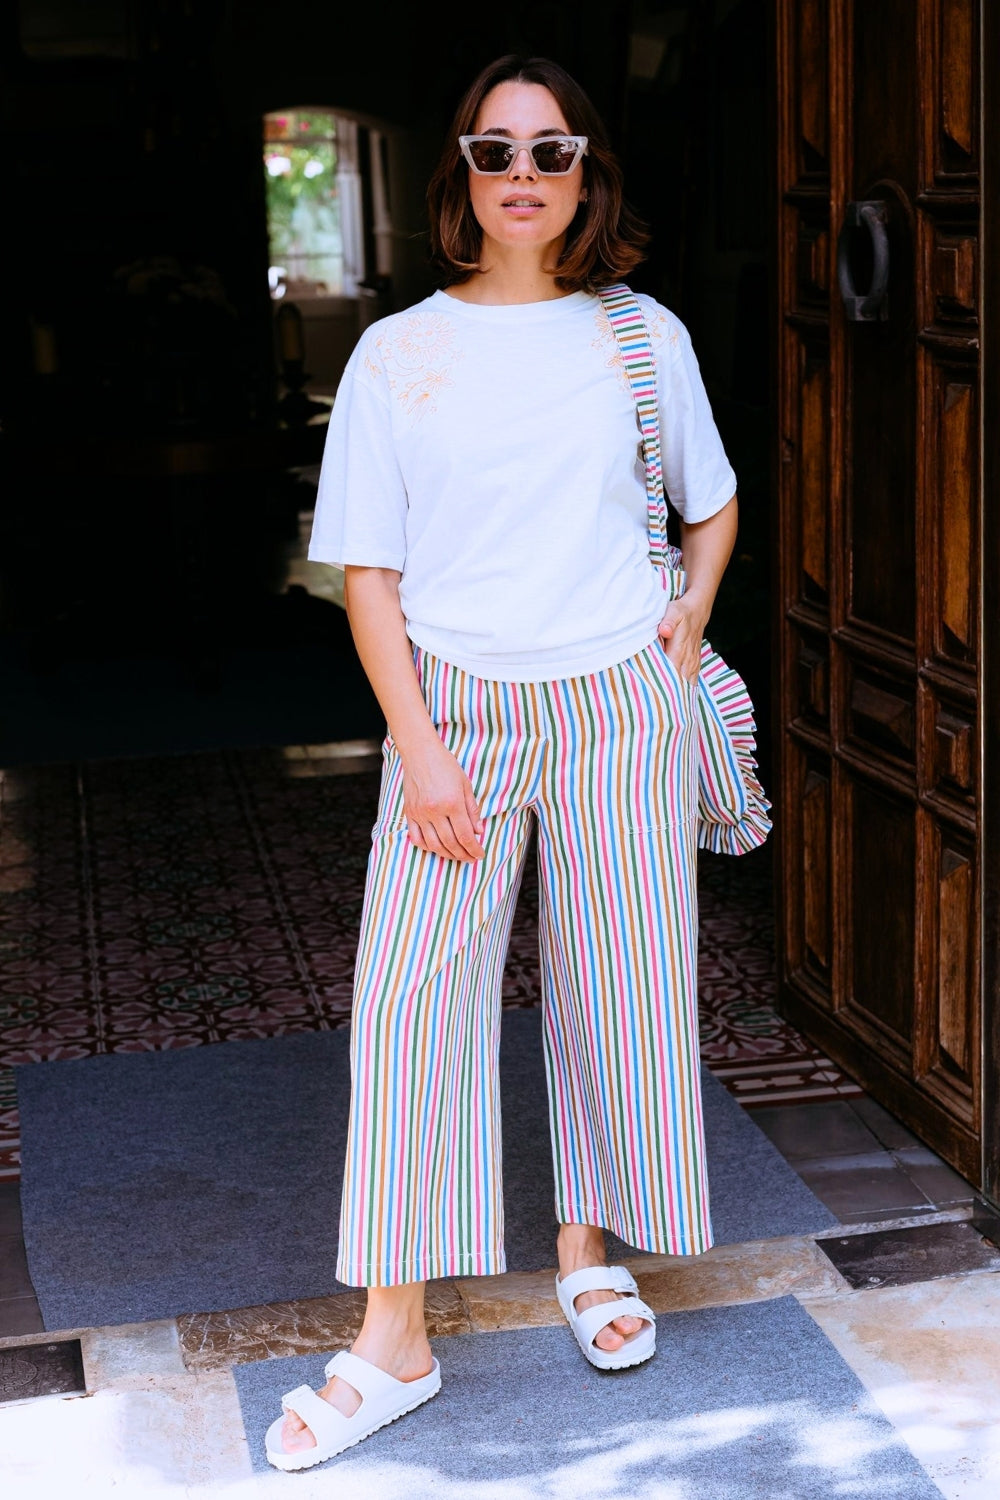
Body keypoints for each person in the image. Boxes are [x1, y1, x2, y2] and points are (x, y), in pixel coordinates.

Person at [265, 53, 744, 1471]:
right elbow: (366, 575)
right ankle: (394, 1339)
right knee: (411, 1009)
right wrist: (418, 754)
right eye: (496, 151)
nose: (523, 174)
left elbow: (711, 504)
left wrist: (688, 618)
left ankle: (588, 1252)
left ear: (587, 173)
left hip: (616, 710)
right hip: (456, 714)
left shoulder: (640, 335)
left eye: (551, 151)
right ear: (459, 176)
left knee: (617, 990)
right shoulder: (396, 354)